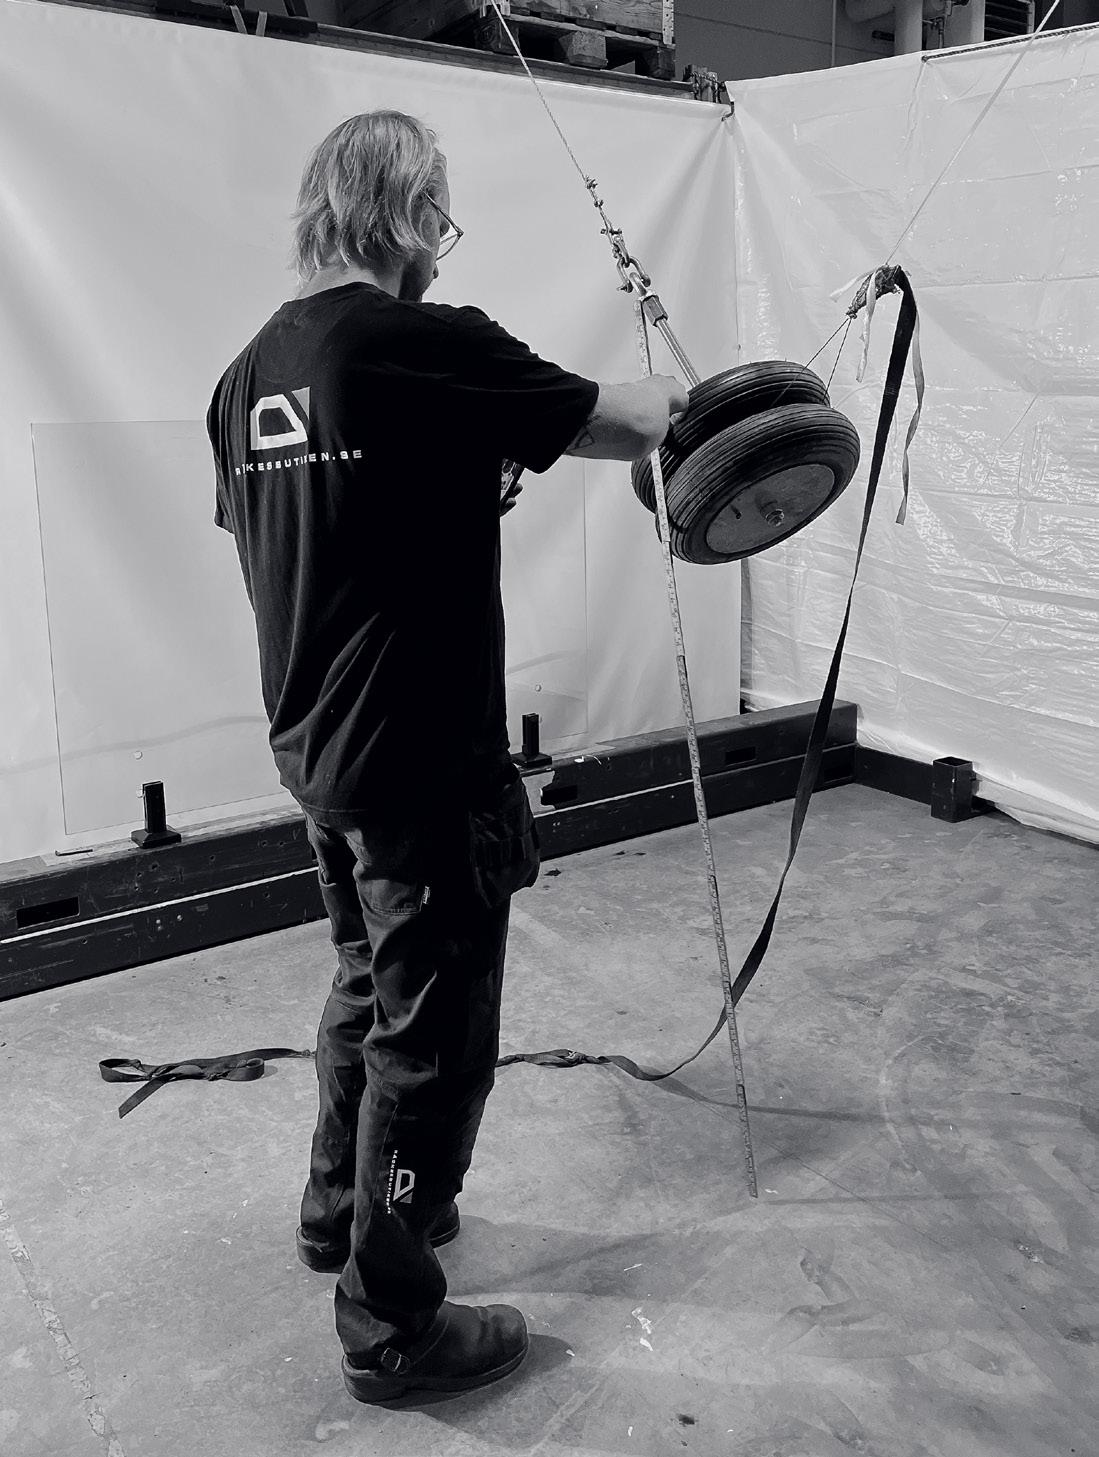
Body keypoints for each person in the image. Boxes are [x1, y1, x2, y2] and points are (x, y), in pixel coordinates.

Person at [205, 109, 687, 1405]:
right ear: (409, 215)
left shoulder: (244, 379)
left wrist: (450, 487)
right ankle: (393, 1321)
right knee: (434, 1033)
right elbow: (625, 417)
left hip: (320, 748)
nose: (439, 250)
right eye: (440, 223)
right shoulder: (421, 341)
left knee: (366, 980)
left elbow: (311, 536)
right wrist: (697, 397)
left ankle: (339, 1210)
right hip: (419, 758)